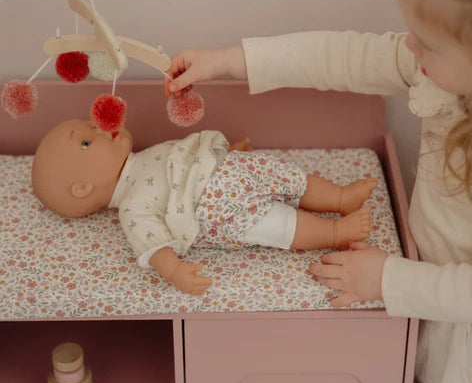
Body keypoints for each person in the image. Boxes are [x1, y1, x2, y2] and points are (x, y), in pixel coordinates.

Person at [163, 0, 472, 383]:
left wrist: (387, 279)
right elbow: (342, 56)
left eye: (427, 43)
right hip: (433, 297)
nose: (409, 47)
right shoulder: (441, 71)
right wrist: (229, 61)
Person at [31, 119, 376, 296]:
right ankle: (335, 232)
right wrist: (175, 272)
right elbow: (153, 244)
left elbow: (185, 159)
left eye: (91, 126)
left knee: (285, 175)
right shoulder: (132, 208)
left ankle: (340, 198)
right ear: (83, 189)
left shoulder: (143, 157)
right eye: (87, 141)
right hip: (216, 209)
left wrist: (223, 155)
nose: (101, 128)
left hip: (231, 168)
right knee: (275, 223)